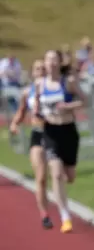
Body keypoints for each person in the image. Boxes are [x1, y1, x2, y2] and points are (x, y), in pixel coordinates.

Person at [35, 50, 87, 234]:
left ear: (59, 62)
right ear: (45, 63)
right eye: (48, 60)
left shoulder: (68, 82)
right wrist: (38, 113)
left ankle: (65, 184)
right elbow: (37, 109)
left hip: (68, 132)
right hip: (50, 132)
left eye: (54, 60)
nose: (51, 63)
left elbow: (84, 101)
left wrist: (68, 106)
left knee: (70, 176)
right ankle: (65, 216)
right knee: (55, 174)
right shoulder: (40, 84)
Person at [9, 59, 51, 229]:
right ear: (32, 73)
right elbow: (21, 111)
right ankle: (45, 215)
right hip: (37, 134)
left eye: (43, 68)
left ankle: (62, 207)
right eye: (37, 69)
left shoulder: (54, 89)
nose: (40, 71)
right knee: (40, 178)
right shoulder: (28, 92)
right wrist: (14, 124)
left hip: (56, 134)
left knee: (59, 175)